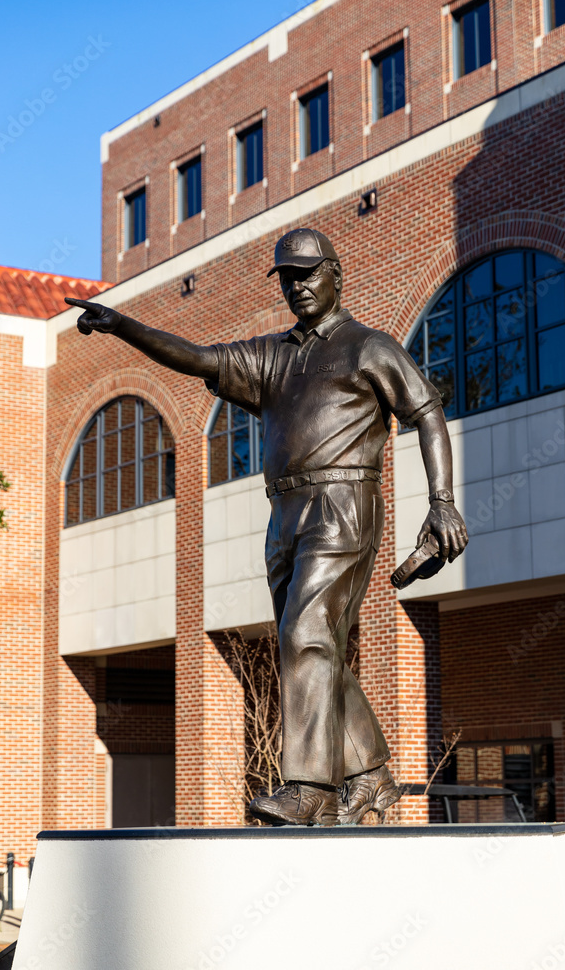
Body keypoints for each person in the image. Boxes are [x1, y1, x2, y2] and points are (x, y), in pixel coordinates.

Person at [68, 227, 468, 826]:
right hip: (283, 514)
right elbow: (199, 357)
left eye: (307, 273)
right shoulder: (272, 356)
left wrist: (441, 502)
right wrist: (123, 326)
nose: (297, 285)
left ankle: (310, 788)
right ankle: (372, 774)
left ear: (336, 273)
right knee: (314, 644)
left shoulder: (369, 347)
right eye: (287, 277)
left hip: (343, 503)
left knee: (304, 632)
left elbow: (427, 413)